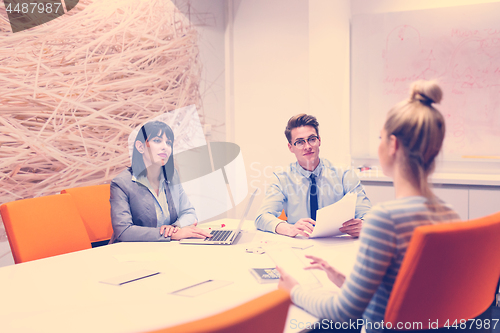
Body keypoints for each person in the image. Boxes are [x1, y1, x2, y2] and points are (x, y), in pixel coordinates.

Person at [276, 81, 460, 332]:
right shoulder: (451, 215)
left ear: (392, 145)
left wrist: (294, 290)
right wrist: (346, 281)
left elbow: (343, 312)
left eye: (380, 138)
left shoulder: (385, 220)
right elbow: (403, 291)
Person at [255, 114, 371, 238]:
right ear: (290, 147)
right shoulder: (281, 178)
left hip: (337, 243)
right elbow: (262, 217)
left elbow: (367, 214)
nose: (307, 146)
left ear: (319, 140)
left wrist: (365, 225)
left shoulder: (344, 174)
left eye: (312, 139)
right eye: (299, 142)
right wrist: (289, 228)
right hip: (300, 245)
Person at [109, 120, 212, 242]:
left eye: (168, 143)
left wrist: (174, 228)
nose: (165, 147)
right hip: (131, 253)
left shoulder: (172, 176)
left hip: (165, 250)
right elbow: (124, 231)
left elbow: (189, 212)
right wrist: (169, 235)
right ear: (140, 146)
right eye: (157, 141)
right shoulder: (121, 183)